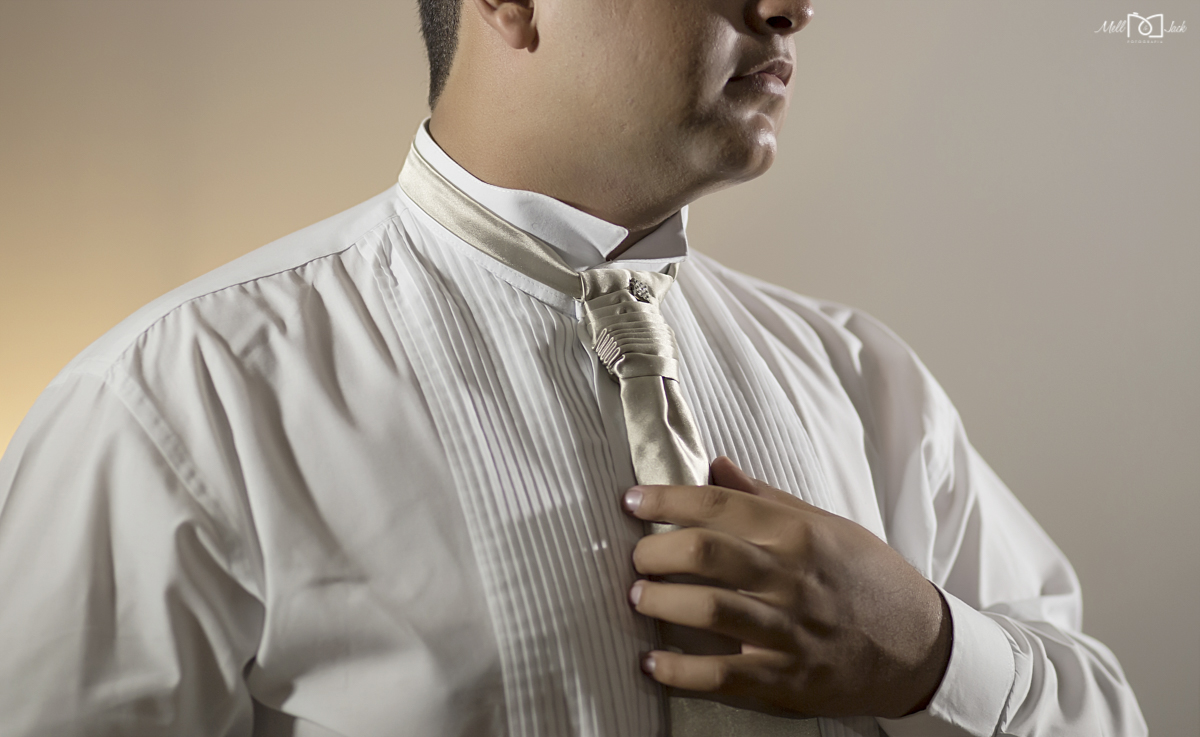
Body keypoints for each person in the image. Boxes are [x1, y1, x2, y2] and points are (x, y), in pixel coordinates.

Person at [0, 0, 1146, 735]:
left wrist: (932, 652)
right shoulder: (171, 406)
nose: (794, 6)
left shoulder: (861, 378)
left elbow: (1106, 710)